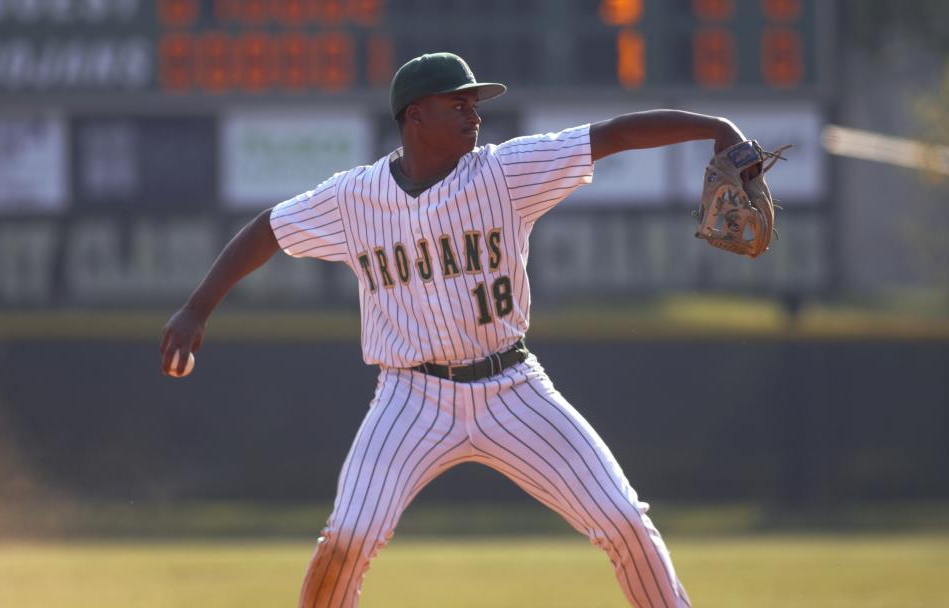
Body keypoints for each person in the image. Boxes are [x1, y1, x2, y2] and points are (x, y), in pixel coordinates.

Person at [161, 52, 752, 608]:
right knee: (347, 537)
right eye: (458, 104)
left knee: (624, 521)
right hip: (409, 397)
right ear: (415, 115)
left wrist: (715, 127)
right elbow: (269, 228)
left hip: (513, 388)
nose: (475, 114)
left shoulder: (506, 172)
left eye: (476, 104)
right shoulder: (353, 198)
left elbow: (615, 133)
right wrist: (197, 306)